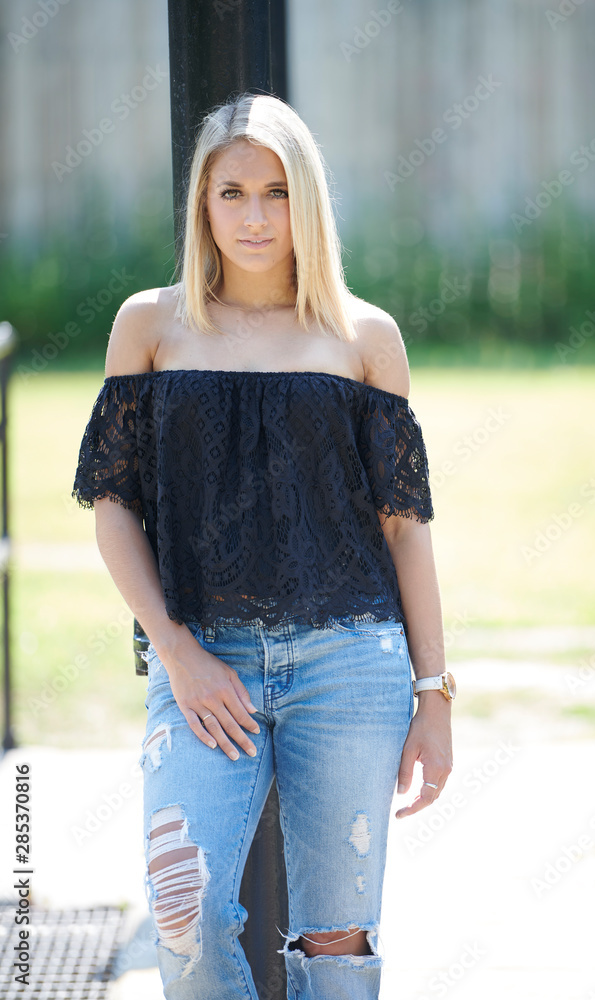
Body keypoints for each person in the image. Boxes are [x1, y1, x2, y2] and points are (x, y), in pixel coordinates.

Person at [72, 91, 454, 1000]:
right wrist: (178, 651)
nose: (253, 216)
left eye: (276, 193)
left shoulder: (364, 337)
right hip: (202, 662)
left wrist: (432, 695)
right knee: (184, 909)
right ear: (201, 203)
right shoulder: (150, 326)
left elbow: (405, 530)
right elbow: (111, 507)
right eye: (231, 192)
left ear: (307, 201)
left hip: (350, 664)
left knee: (336, 942)